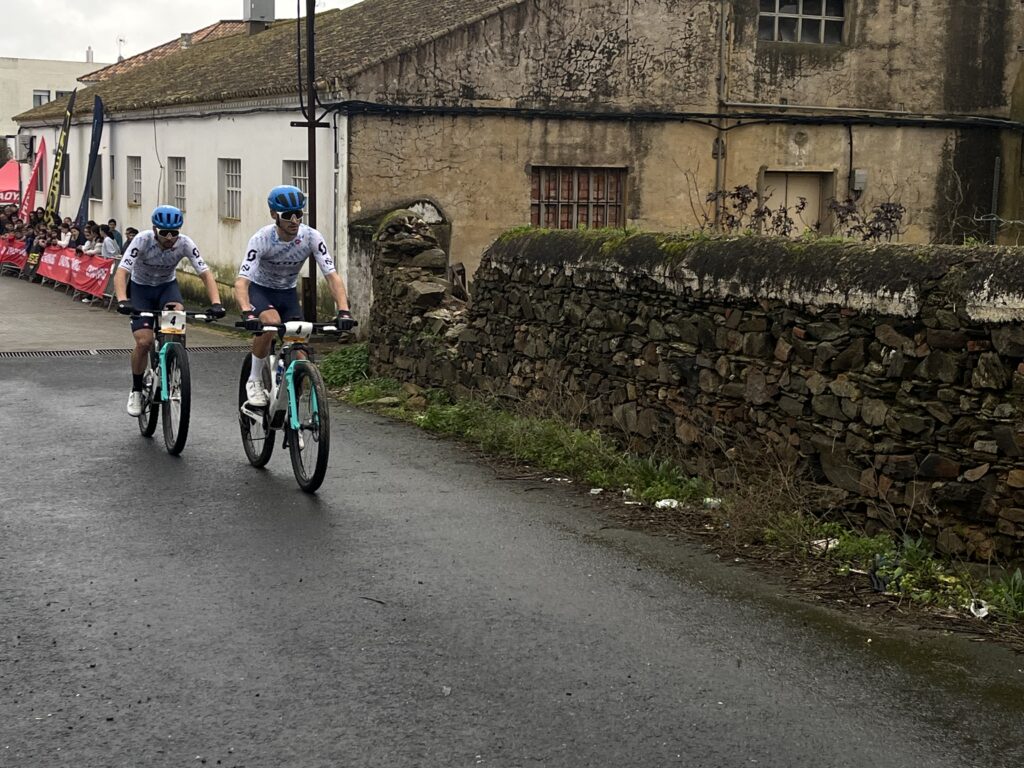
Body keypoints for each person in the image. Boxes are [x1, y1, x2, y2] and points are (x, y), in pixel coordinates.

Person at [234, 185, 354, 406]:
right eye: (287, 216)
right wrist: (247, 313)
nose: (294, 220)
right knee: (271, 323)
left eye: (299, 214)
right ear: (274, 215)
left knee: (300, 355)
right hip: (260, 290)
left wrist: (344, 311)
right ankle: (254, 380)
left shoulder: (311, 237)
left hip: (287, 294)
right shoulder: (261, 239)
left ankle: (292, 410)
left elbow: (332, 276)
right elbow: (242, 282)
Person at [113, 205, 226, 416]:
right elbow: (122, 271)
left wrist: (217, 303)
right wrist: (122, 300)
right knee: (144, 341)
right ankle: (137, 389)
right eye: (164, 233)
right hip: (141, 290)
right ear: (155, 229)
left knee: (176, 319)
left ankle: (174, 359)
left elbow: (205, 274)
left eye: (174, 232)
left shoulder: (185, 244)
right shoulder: (142, 240)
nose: (169, 238)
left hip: (167, 288)